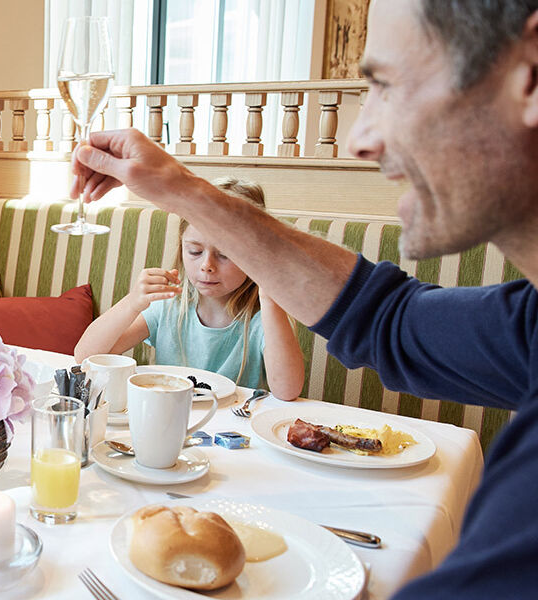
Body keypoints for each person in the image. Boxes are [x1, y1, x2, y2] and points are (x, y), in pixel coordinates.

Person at [69, 0, 538, 596]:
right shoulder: (527, 325)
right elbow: (382, 317)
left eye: (386, 86)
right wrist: (183, 190)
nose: (359, 139)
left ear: (530, 73)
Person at [74, 178, 304, 400]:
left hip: (234, 423)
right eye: (195, 251)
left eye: (225, 254)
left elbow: (287, 391)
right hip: (169, 416)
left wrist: (270, 295)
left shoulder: (263, 317)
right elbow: (85, 357)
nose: (206, 266)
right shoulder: (168, 305)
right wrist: (132, 302)